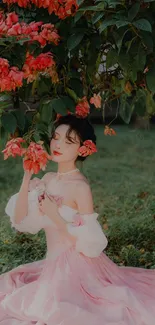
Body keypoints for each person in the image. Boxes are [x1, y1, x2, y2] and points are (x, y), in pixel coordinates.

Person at [0, 114, 155, 325]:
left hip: (79, 266)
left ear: (82, 148)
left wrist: (55, 215)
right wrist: (26, 179)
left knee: (59, 309)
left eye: (68, 141)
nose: (58, 144)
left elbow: (90, 244)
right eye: (56, 137)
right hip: (53, 263)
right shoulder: (47, 179)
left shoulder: (80, 187)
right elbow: (20, 220)